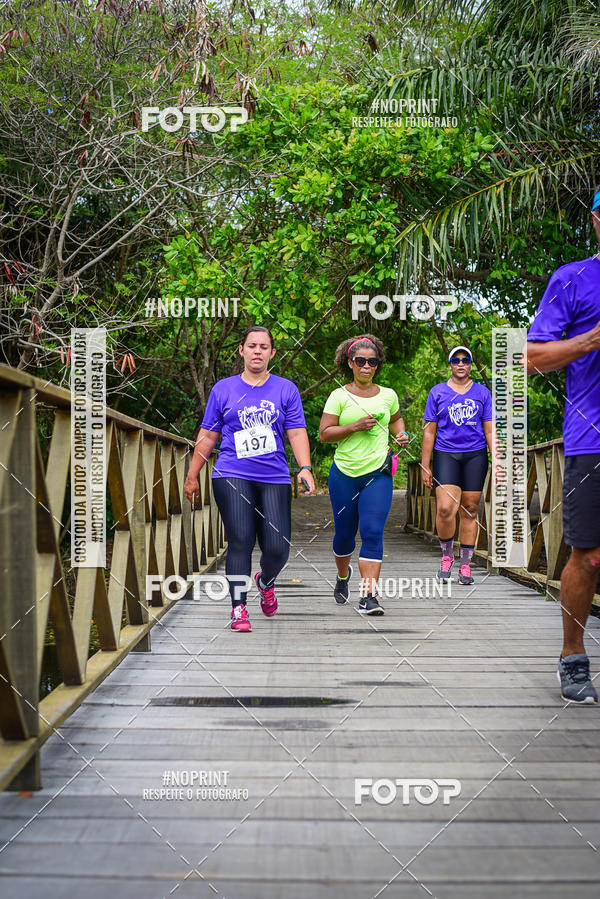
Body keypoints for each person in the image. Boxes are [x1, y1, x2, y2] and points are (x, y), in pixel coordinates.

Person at [183, 326, 315, 632]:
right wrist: (192, 475)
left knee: (278, 546)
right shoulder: (223, 389)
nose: (257, 351)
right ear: (241, 350)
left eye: (263, 346)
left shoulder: (285, 389)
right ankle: (238, 608)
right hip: (231, 472)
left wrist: (305, 467)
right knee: (240, 539)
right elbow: (208, 435)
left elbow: (295, 431)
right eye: (252, 345)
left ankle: (266, 581)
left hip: (274, 475)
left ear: (272, 353)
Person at [526, 188, 600, 703]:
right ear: (596, 220)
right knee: (589, 556)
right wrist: (589, 341)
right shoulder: (572, 278)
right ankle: (572, 654)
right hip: (590, 439)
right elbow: (529, 356)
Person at [319, 335, 409, 615]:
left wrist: (401, 435)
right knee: (345, 534)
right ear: (350, 363)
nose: (366, 366)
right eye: (360, 361)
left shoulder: (388, 395)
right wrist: (354, 427)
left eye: (372, 361)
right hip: (344, 473)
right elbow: (324, 434)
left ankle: (368, 595)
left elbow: (395, 420)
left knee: (372, 531)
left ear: (378, 365)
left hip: (377, 474)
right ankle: (343, 576)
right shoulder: (339, 396)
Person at [421, 346, 495, 586]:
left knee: (471, 509)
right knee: (445, 509)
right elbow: (429, 431)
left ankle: (465, 563)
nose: (461, 364)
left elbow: (489, 429)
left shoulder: (482, 393)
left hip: (475, 454)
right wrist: (425, 464)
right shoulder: (438, 392)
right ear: (450, 364)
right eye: (456, 360)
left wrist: (498, 460)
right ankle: (446, 555)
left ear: (471, 364)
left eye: (465, 360)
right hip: (446, 454)